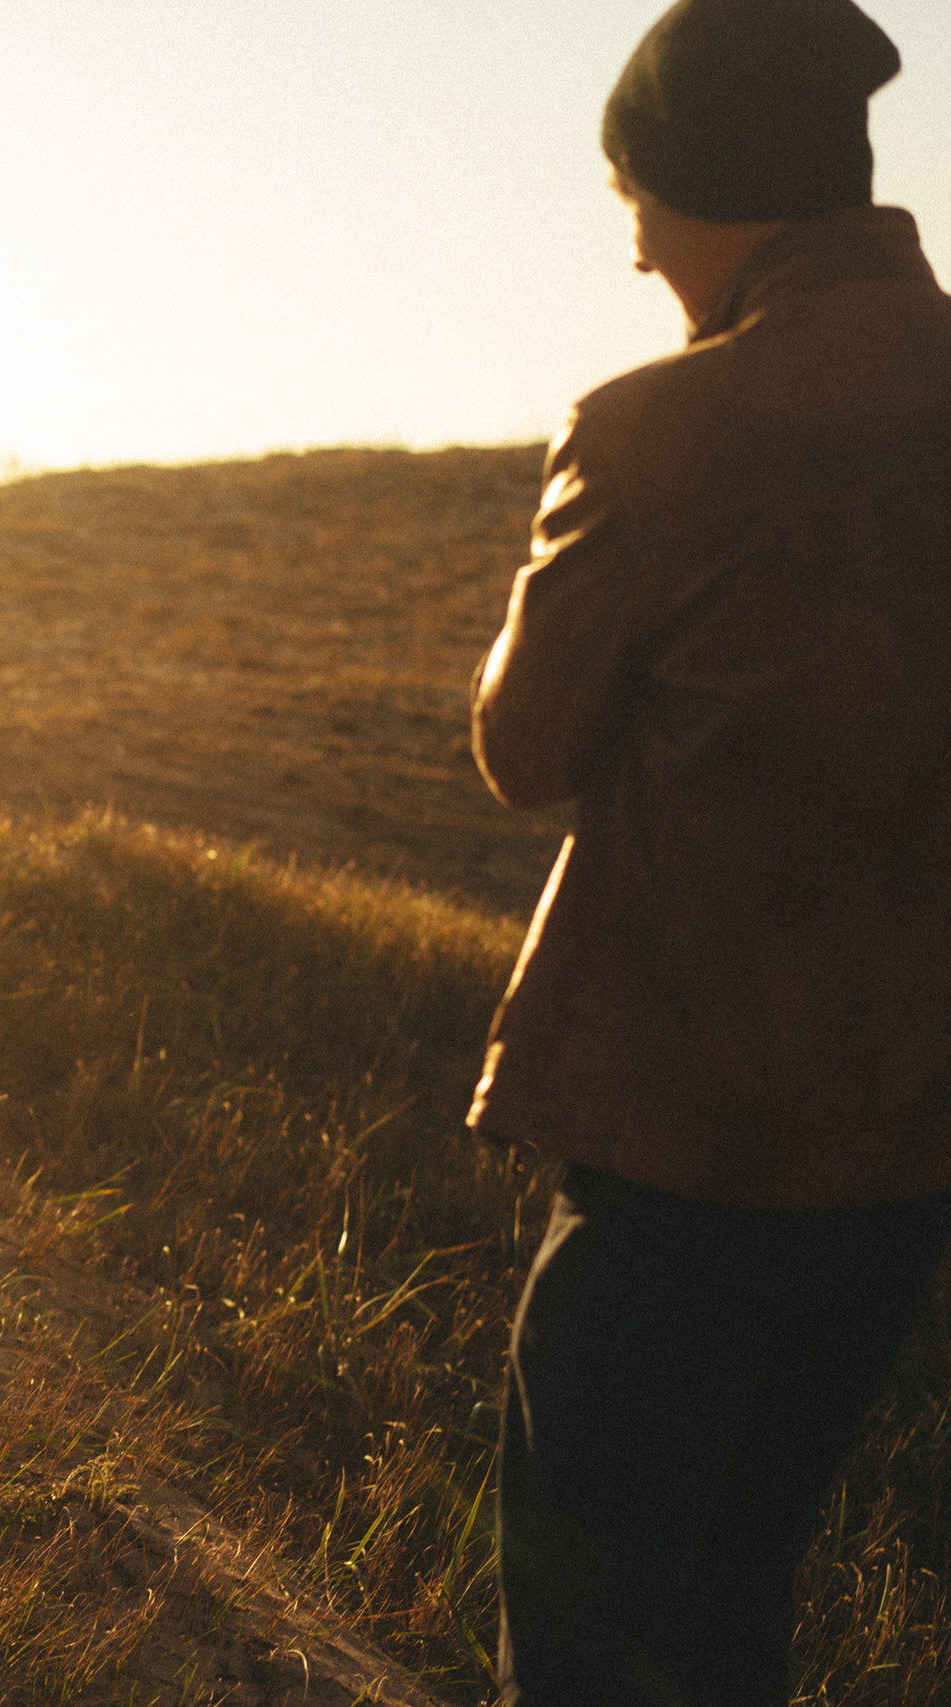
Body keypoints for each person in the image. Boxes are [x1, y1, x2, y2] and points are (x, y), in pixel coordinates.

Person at [467, 2, 951, 1701]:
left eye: (639, 211)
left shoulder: (660, 431)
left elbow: (523, 752)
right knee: (738, 1623)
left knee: (596, 1647)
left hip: (680, 1159)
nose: (640, 257)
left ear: (714, 192)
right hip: (901, 1163)